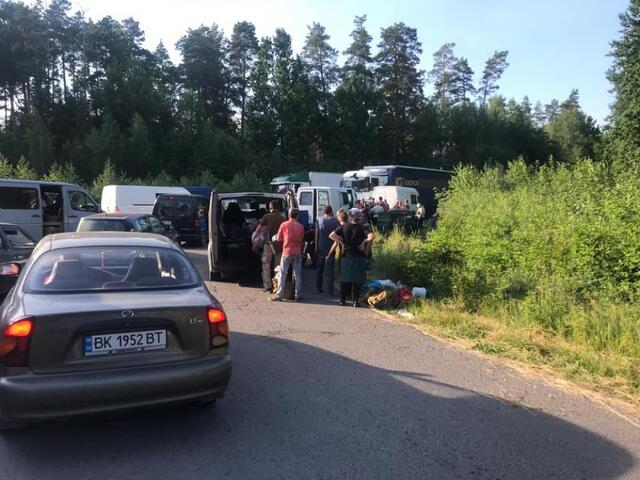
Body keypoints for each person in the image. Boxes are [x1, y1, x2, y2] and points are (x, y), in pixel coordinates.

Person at [329, 208, 375, 307]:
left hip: (346, 256)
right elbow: (372, 237)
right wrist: (364, 242)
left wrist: (341, 243)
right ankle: (355, 301)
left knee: (344, 279)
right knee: (357, 281)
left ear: (350, 216)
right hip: (359, 256)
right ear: (359, 216)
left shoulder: (344, 227)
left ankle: (342, 300)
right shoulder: (363, 228)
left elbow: (331, 235)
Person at [271, 208, 305, 302]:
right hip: (297, 252)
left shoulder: (284, 225)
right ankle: (297, 295)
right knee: (297, 275)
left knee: (283, 273)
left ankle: (279, 294)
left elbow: (279, 238)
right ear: (297, 216)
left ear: (289, 215)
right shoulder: (301, 226)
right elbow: (302, 239)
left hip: (287, 252)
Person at [257, 201, 284, 292]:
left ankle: (267, 286)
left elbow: (259, 229)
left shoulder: (266, 216)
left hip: (269, 244)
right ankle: (277, 286)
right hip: (279, 244)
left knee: (266, 264)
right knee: (278, 266)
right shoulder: (282, 217)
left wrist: (254, 237)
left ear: (270, 207)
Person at [315, 205, 339, 295]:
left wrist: (316, 247)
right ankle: (330, 291)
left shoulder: (319, 219)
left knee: (320, 269)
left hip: (321, 246)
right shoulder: (335, 220)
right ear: (331, 212)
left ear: (323, 212)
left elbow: (316, 234)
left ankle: (318, 288)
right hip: (331, 247)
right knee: (330, 270)